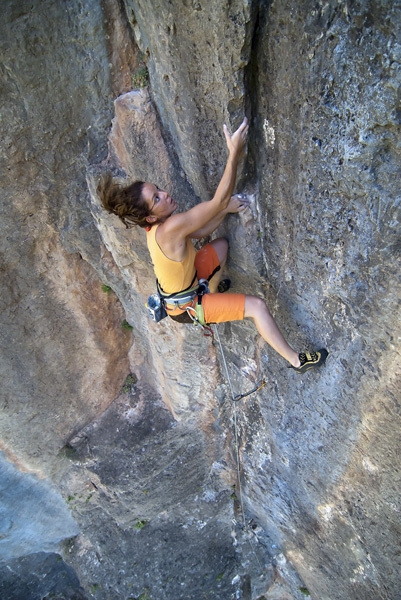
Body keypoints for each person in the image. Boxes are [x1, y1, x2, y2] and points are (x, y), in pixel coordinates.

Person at [98, 117, 328, 374]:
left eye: (159, 189)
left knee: (220, 246)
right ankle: (296, 361)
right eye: (157, 198)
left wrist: (225, 208)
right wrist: (234, 154)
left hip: (189, 285)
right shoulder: (168, 229)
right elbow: (218, 201)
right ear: (150, 216)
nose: (165, 194)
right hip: (186, 307)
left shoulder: (155, 227)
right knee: (257, 307)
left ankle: (213, 291)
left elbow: (203, 230)